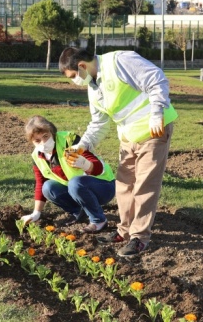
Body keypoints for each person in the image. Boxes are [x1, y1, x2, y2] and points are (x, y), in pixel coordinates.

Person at [58, 47, 178, 257]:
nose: (74, 81)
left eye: (73, 76)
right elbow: (99, 123)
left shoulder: (120, 60)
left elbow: (156, 79)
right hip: (128, 137)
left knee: (144, 186)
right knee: (123, 186)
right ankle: (124, 231)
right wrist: (81, 145)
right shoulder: (93, 88)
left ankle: (139, 237)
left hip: (154, 131)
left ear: (82, 66)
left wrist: (157, 112)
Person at [20, 115, 116, 233]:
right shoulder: (37, 156)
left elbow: (99, 168)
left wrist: (85, 164)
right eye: (37, 140)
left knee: (75, 183)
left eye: (46, 136)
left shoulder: (69, 140)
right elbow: (41, 183)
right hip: (76, 190)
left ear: (52, 132)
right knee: (48, 187)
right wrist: (36, 213)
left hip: (103, 186)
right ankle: (79, 212)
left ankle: (98, 220)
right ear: (32, 142)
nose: (43, 142)